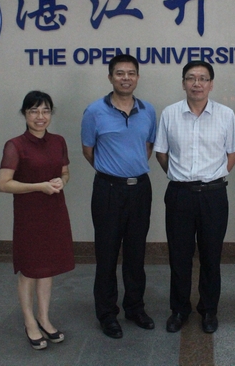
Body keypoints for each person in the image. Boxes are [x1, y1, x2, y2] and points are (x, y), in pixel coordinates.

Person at [154, 60, 235, 334]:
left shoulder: (225, 114)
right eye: (191, 78)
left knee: (211, 256)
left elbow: (233, 153)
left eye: (203, 78)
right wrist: (179, 176)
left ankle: (208, 309)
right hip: (179, 194)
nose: (197, 83)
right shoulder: (170, 113)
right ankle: (179, 309)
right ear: (183, 83)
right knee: (179, 256)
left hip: (213, 195)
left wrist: (215, 175)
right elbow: (161, 153)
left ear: (211, 84)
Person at [81, 54, 157, 339]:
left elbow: (148, 146)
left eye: (131, 73)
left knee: (136, 253)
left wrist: (130, 169)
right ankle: (107, 313)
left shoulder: (148, 110)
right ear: (110, 77)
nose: (126, 78)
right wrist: (112, 172)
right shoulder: (94, 111)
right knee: (107, 253)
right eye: (120, 73)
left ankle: (135, 308)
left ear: (137, 77)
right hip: (108, 190)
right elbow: (88, 150)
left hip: (140, 189)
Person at [0, 90, 75, 350]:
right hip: (29, 215)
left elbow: (65, 173)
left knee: (48, 268)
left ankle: (44, 317)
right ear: (24, 114)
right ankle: (29, 321)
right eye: (34, 111)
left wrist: (60, 181)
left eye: (45, 111)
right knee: (30, 270)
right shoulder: (15, 145)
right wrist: (38, 186)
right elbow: (3, 184)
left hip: (54, 212)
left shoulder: (58, 141)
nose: (40, 116)